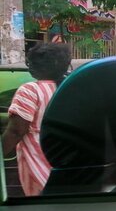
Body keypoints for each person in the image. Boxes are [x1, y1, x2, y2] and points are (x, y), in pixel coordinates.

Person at [2, 43, 72, 196]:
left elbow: (15, 131)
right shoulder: (70, 88)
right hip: (66, 167)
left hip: (39, 166)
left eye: (33, 63)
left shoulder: (30, 90)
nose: (30, 66)